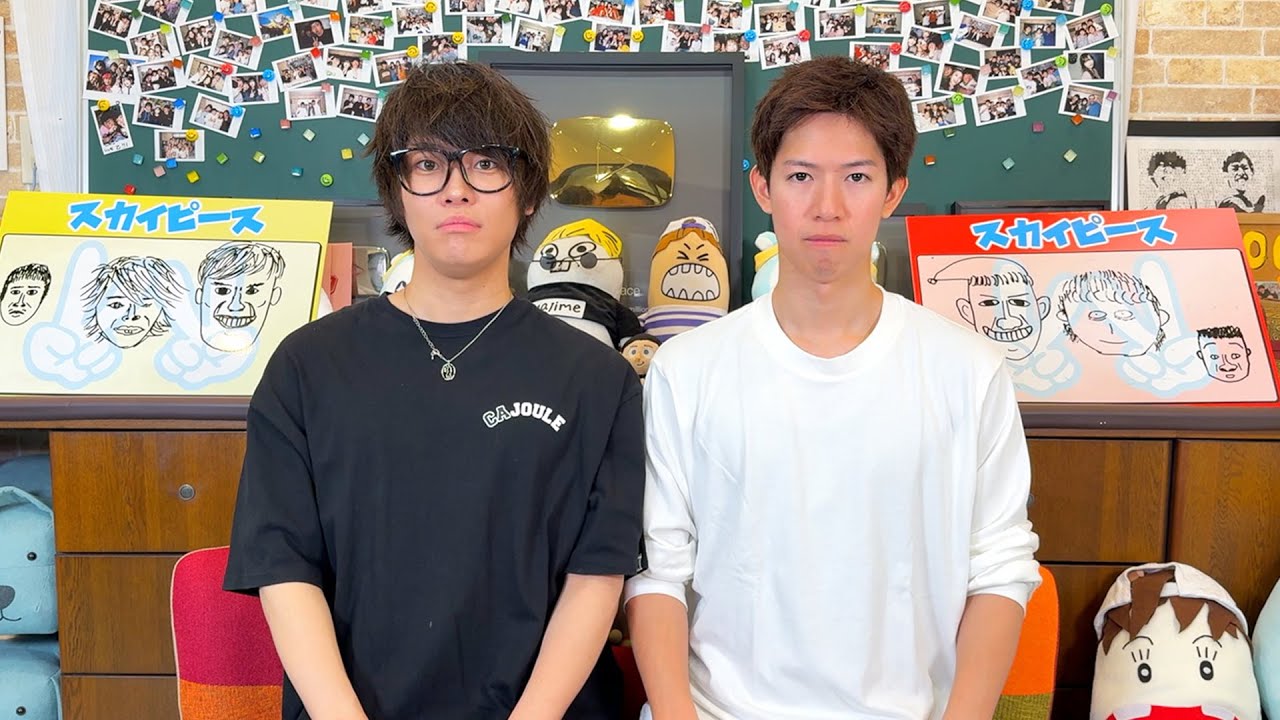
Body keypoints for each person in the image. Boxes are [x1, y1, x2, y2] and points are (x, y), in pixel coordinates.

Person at [223, 61, 645, 720]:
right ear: (397, 192)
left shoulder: (598, 378)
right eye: (427, 165)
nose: (456, 191)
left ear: (528, 194)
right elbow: (284, 567)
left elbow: (598, 575)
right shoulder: (307, 367)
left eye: (486, 164)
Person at [623, 55, 1041, 719]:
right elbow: (658, 570)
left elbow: (1000, 567)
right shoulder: (686, 370)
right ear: (763, 187)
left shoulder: (968, 371)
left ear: (893, 192)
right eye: (800, 176)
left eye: (856, 177)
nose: (827, 207)